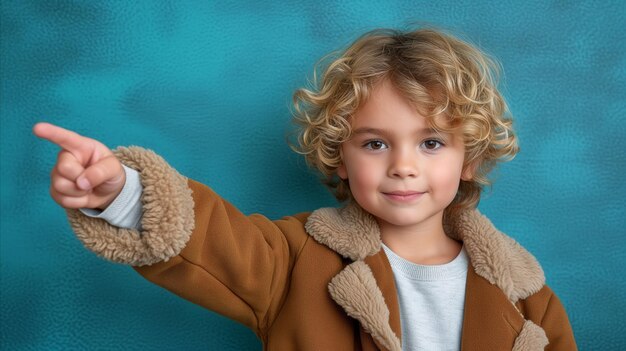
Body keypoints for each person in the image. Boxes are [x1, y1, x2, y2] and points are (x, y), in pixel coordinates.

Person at [33, 28, 577, 350]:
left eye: (431, 143)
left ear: (470, 158)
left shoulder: (528, 297)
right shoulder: (293, 258)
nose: (403, 167)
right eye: (375, 144)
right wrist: (119, 190)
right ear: (340, 155)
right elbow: (209, 240)